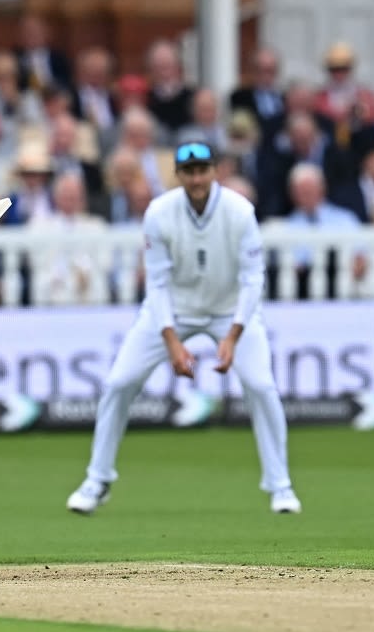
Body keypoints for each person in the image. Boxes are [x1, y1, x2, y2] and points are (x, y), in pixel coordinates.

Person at [65, 142, 301, 515]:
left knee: (261, 385)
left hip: (230, 312)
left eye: (203, 169)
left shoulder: (240, 211)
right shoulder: (160, 212)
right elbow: (156, 283)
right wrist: (172, 343)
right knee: (119, 383)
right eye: (188, 171)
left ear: (215, 171)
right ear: (178, 175)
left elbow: (254, 278)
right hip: (173, 309)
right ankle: (98, 479)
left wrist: (233, 335)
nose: (196, 178)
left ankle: (281, 486)